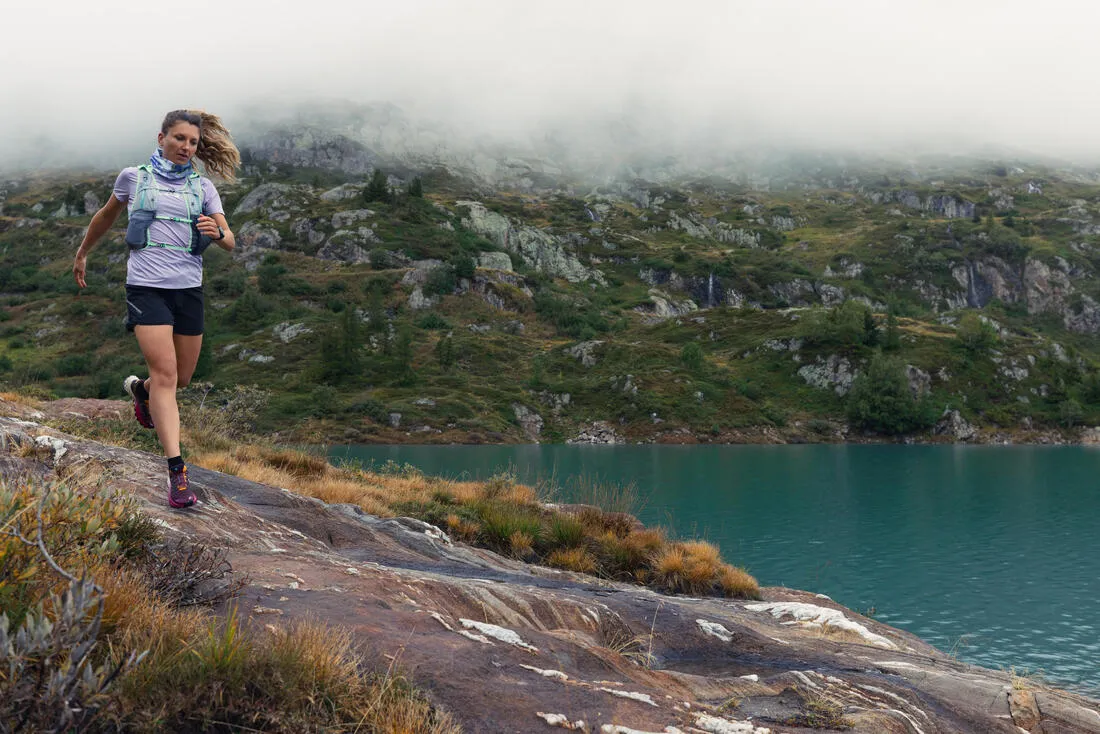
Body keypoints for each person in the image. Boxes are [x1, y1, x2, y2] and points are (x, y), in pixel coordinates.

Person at [73, 110, 239, 508]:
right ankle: (178, 474)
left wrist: (218, 233)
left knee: (180, 379)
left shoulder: (203, 188)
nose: (186, 147)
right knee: (165, 375)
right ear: (161, 137)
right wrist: (82, 253)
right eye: (179, 138)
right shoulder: (134, 177)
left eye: (193, 142)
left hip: (188, 290)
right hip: (146, 287)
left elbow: (230, 240)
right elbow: (106, 216)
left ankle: (140, 393)